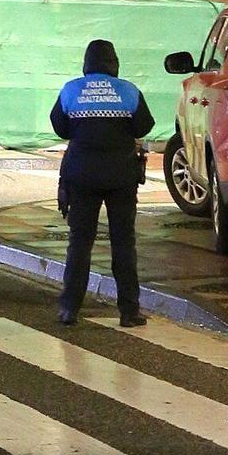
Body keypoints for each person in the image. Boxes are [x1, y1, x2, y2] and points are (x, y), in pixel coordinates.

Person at [50, 37, 154, 327]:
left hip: (81, 174)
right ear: (115, 63)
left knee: (80, 242)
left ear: (86, 64)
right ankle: (129, 311)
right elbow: (144, 125)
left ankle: (70, 308)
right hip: (121, 175)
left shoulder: (72, 89)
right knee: (124, 242)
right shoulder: (128, 91)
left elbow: (60, 127)